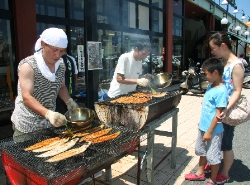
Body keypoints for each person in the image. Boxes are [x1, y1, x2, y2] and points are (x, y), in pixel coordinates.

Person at [11, 28, 79, 143]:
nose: (58, 55)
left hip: (47, 124)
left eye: (62, 51)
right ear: (43, 44)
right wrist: (48, 113)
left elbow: (61, 87)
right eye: (55, 50)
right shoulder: (28, 66)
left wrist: (69, 101)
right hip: (27, 125)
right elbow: (26, 97)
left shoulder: (61, 65)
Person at [205, 32, 244, 184]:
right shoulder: (222, 62)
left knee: (226, 143)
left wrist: (226, 109)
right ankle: (215, 163)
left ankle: (225, 173)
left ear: (223, 46)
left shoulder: (236, 65)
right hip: (217, 110)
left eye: (213, 48)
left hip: (226, 110)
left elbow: (237, 91)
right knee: (216, 140)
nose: (212, 52)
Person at [185, 57, 229, 185]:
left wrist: (209, 131)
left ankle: (213, 179)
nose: (205, 76)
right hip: (203, 127)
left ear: (215, 72)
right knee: (202, 151)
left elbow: (218, 115)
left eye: (206, 73)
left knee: (213, 156)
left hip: (213, 131)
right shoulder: (210, 86)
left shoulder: (221, 91)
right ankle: (200, 173)